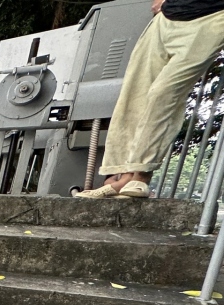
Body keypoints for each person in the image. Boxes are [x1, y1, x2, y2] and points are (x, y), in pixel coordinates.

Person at [77, 0, 224, 198]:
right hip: (166, 17)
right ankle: (122, 177)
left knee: (164, 93)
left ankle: (141, 175)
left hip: (213, 16)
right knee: (134, 94)